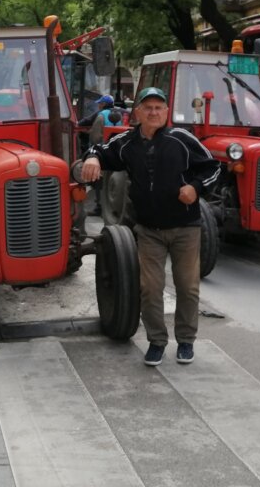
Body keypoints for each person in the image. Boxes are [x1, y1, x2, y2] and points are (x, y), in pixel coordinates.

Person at [82, 87, 221, 366]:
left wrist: (195, 188)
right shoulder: (127, 143)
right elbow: (99, 148)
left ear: (167, 112)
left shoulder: (182, 139)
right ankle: (157, 341)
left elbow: (213, 168)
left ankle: (185, 341)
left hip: (185, 228)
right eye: (148, 108)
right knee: (150, 288)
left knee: (187, 287)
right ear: (138, 113)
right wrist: (93, 158)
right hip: (148, 230)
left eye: (159, 107)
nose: (154, 112)